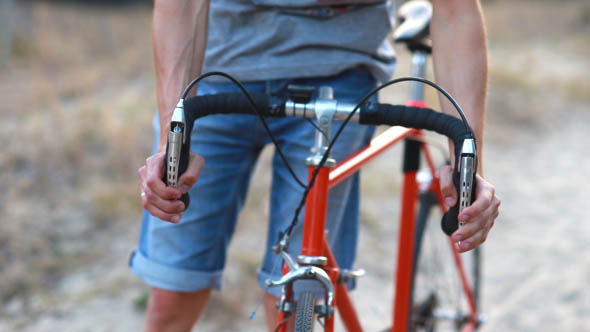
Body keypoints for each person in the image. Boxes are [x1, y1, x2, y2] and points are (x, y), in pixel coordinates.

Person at [131, 0, 501, 331]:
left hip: (338, 74)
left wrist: (467, 159)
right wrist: (172, 137)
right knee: (171, 296)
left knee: (294, 294)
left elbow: (455, 9)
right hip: (217, 70)